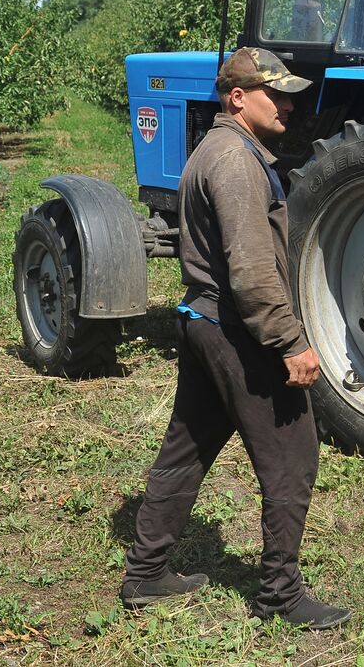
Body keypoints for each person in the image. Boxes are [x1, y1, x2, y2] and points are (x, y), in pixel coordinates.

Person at [120, 48, 350, 631]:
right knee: (293, 455)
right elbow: (250, 271)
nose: (290, 105)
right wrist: (289, 341)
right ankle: (279, 592)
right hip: (234, 330)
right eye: (277, 95)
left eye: (291, 94)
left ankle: (146, 572)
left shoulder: (220, 151)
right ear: (237, 97)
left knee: (188, 447)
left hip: (201, 321)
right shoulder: (235, 163)